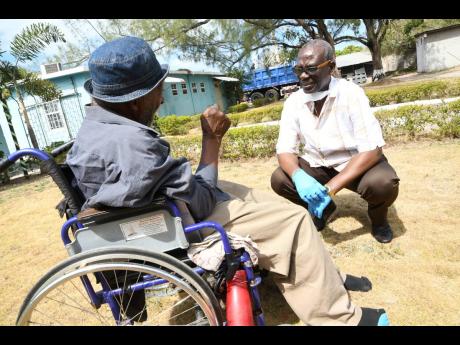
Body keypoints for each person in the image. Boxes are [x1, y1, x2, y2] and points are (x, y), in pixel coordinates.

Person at [66, 36, 389, 326]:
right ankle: (340, 319)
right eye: (159, 90)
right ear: (137, 99)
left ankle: (325, 275)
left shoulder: (97, 126)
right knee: (295, 218)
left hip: (154, 205)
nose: (162, 100)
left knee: (250, 194)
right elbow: (203, 200)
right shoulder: (132, 143)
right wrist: (211, 141)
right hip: (169, 224)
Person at [271, 39, 400, 243]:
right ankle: (321, 209)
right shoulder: (293, 102)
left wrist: (330, 188)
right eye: (299, 69)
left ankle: (379, 220)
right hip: (317, 164)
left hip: (353, 163)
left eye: (311, 68)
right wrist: (298, 176)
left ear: (330, 67)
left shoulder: (350, 93)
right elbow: (285, 150)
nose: (303, 76)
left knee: (383, 183)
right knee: (280, 179)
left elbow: (372, 149)